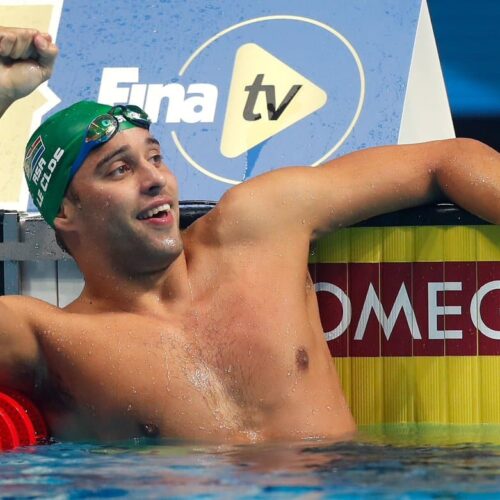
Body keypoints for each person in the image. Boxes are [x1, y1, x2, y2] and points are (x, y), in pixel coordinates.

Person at [0, 27, 498, 444]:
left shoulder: (259, 227)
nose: (155, 179)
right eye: (118, 170)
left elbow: (445, 160)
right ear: (66, 212)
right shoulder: (51, 339)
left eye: (155, 157)